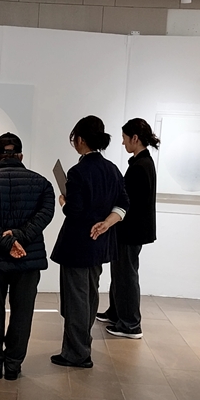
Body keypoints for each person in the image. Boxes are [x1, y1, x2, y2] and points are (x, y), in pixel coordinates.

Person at [0, 132, 55, 381]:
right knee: (22, 312)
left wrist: (6, 240)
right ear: (21, 156)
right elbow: (45, 214)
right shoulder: (42, 184)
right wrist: (20, 237)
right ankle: (14, 365)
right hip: (28, 258)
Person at [50, 116, 129, 368]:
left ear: (81, 140)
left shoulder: (78, 172)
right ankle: (82, 346)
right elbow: (124, 203)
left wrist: (63, 201)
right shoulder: (112, 169)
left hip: (77, 244)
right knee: (90, 295)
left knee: (76, 299)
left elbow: (74, 211)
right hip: (100, 243)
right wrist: (107, 222)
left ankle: (76, 353)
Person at [96, 118, 159, 339]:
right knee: (120, 273)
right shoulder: (141, 163)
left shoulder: (141, 166)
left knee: (126, 276)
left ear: (135, 138)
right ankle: (116, 313)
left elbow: (128, 201)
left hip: (131, 231)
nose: (123, 143)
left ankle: (131, 324)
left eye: (124, 138)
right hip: (130, 230)